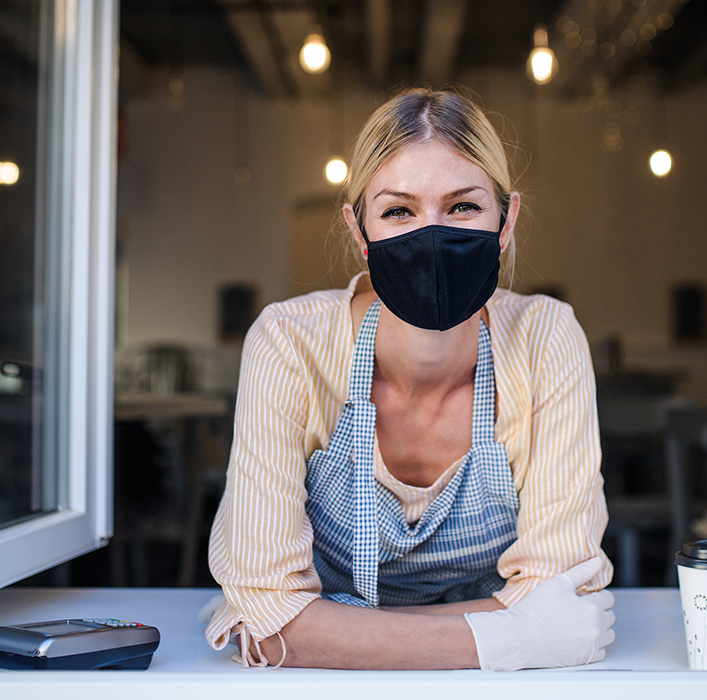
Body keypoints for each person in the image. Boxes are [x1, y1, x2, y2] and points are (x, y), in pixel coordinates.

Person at [203, 88, 615, 671]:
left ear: (506, 220)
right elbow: (268, 613)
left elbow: (561, 592)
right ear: (359, 232)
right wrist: (508, 637)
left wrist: (324, 627)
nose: (432, 236)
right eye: (398, 211)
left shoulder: (546, 338)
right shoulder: (290, 343)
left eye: (463, 207)